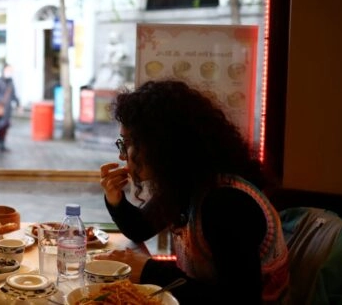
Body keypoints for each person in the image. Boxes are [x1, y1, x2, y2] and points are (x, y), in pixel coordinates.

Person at [97, 79, 289, 304]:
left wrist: (149, 271)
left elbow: (240, 299)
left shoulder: (226, 202)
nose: (122, 155)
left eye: (128, 142)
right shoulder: (188, 184)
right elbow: (140, 227)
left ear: (161, 144)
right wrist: (116, 199)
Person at [0, 63, 20, 152]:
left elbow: (14, 94)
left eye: (11, 71)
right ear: (3, 70)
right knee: (0, 125)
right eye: (8, 70)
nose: (9, 72)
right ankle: (1, 143)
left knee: (5, 125)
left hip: (7, 108)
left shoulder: (11, 82)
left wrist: (18, 104)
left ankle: (0, 141)